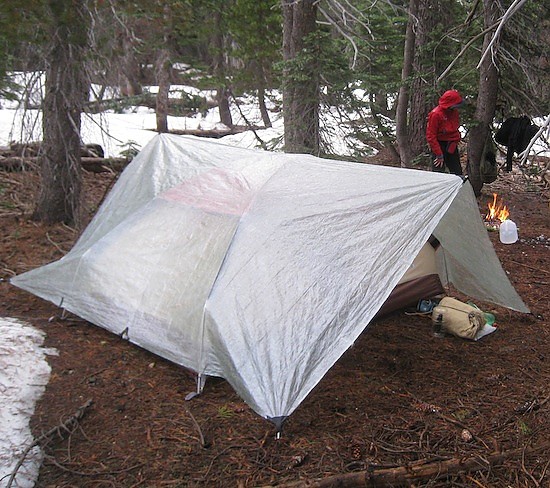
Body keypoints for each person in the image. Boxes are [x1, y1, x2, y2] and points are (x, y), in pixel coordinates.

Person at [426, 89, 465, 175]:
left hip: (451, 144)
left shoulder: (454, 112)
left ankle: (459, 188)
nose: (457, 107)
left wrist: (456, 139)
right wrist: (439, 154)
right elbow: (431, 136)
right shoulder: (436, 114)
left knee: (457, 173)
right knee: (438, 174)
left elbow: (454, 128)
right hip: (439, 145)